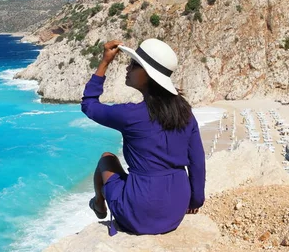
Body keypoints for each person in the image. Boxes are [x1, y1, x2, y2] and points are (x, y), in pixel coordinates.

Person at [81, 38, 206, 236]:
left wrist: (105, 62)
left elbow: (89, 105)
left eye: (133, 64)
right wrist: (196, 200)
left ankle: (99, 203)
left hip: (139, 213)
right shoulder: (185, 112)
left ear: (147, 74)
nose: (127, 68)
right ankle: (101, 203)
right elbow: (197, 161)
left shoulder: (131, 115)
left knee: (107, 159)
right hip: (176, 209)